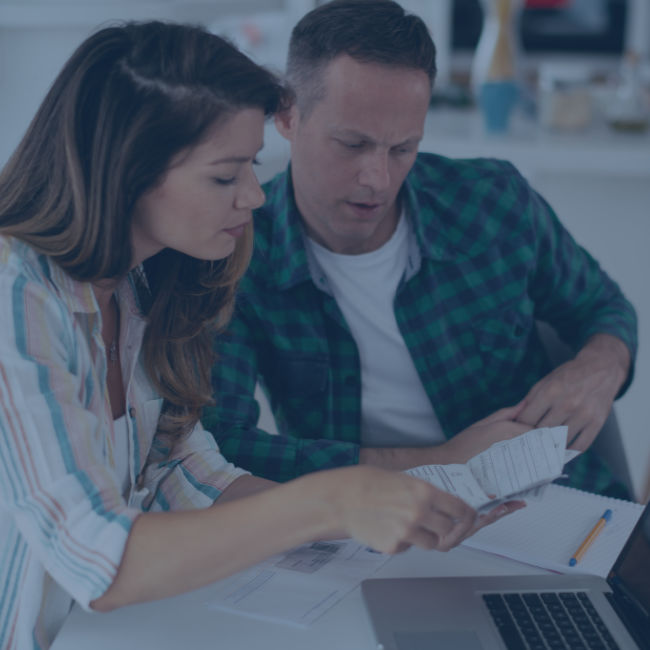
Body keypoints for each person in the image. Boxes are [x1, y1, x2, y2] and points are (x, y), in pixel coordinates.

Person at [0, 21, 525, 650]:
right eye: (225, 176)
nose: (253, 195)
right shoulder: (16, 298)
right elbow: (99, 558)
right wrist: (330, 501)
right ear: (127, 172)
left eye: (252, 165)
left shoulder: (141, 287)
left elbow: (189, 477)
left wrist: (383, 511)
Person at [205, 0, 637, 496]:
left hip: (552, 499)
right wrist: (443, 463)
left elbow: (602, 305)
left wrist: (601, 365)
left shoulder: (494, 201)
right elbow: (225, 444)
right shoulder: (237, 253)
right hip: (370, 516)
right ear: (287, 116)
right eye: (352, 144)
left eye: (402, 148)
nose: (378, 179)